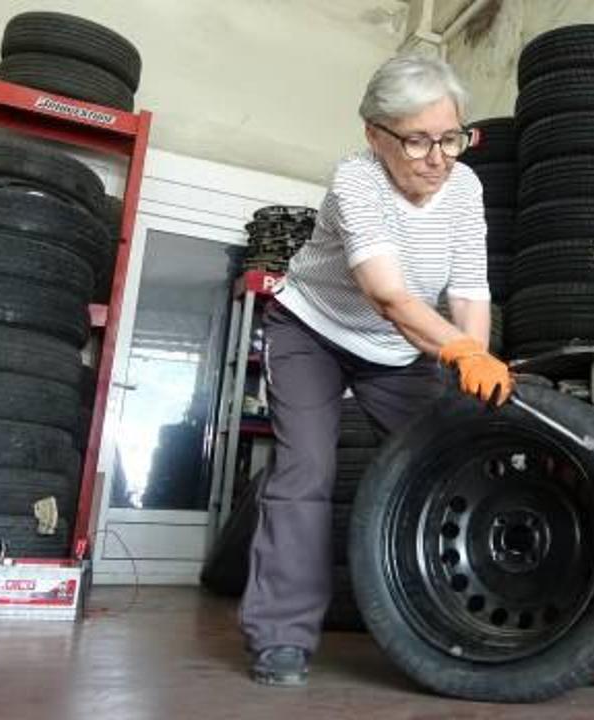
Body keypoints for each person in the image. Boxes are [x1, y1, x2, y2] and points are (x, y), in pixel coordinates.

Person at [239, 54, 513, 687]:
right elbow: (388, 295)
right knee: (307, 470)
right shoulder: (355, 181)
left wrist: (478, 364)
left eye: (451, 137)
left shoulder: (465, 188)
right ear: (375, 134)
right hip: (312, 330)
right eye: (418, 140)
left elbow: (470, 290)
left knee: (450, 462)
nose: (438, 157)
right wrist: (463, 354)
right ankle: (280, 639)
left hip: (398, 353)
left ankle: (460, 622)